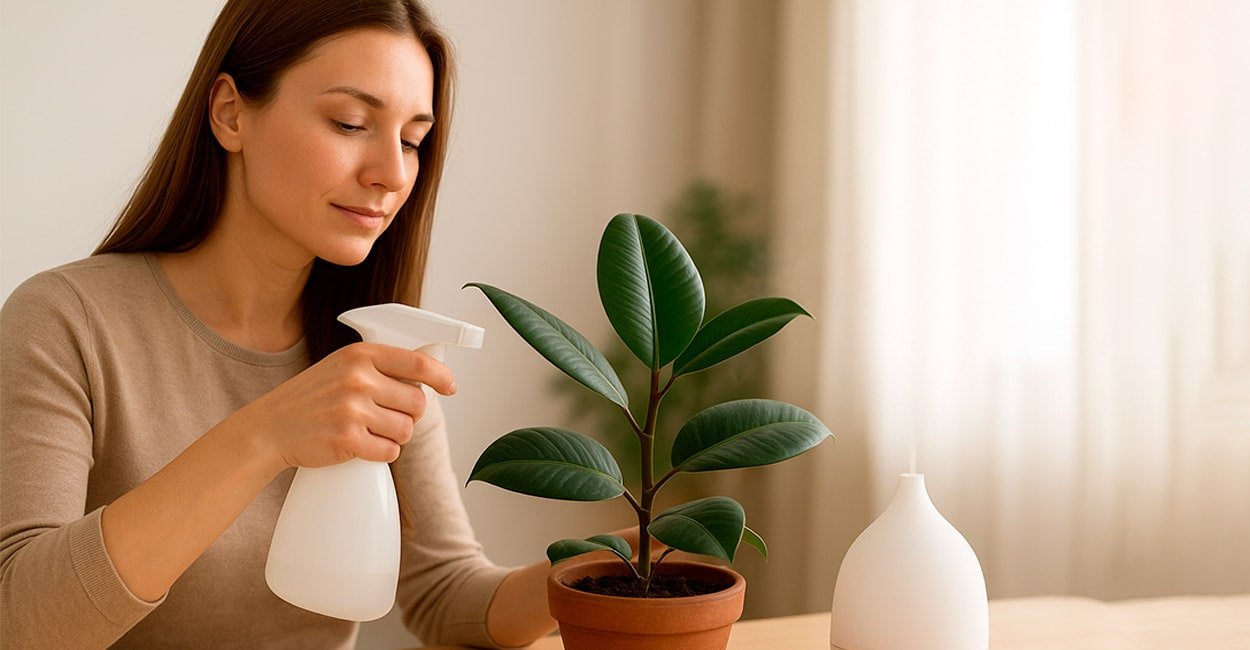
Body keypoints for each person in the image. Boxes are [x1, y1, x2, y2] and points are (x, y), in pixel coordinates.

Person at [0, 1, 626, 647]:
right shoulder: (66, 321)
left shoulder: (376, 344)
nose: (391, 173)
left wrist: (626, 556)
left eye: (412, 140)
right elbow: (20, 619)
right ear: (230, 112)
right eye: (350, 122)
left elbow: (446, 595)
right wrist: (263, 436)